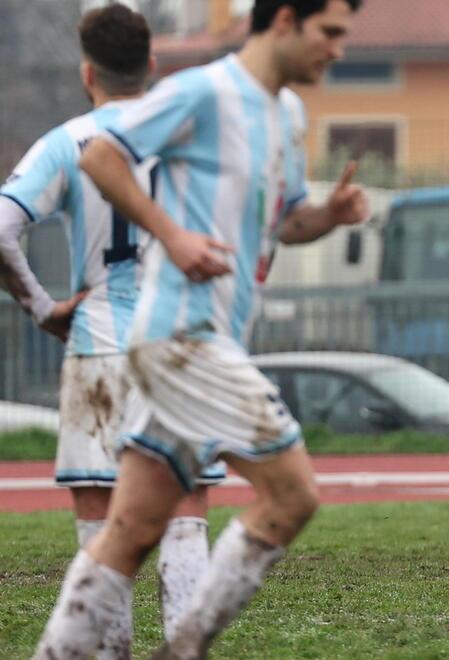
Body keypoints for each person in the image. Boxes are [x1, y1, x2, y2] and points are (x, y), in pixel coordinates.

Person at [33, 0, 366, 657]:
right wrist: (174, 235)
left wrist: (328, 216)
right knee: (292, 495)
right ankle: (184, 649)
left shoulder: (288, 114)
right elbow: (101, 157)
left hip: (203, 338)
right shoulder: (203, 90)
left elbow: (286, 222)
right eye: (329, 33)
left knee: (130, 530)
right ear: (283, 21)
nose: (338, 49)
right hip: (180, 337)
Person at [0, 5, 225, 656]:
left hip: (98, 346)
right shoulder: (186, 139)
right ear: (151, 65)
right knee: (183, 521)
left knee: (101, 527)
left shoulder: (66, 141)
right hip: (178, 347)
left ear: (85, 72)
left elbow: (4, 229)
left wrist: (42, 307)